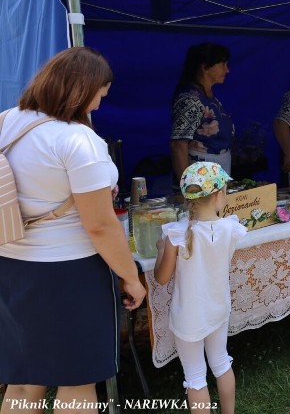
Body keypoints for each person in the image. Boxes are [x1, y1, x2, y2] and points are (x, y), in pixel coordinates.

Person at [0, 47, 146, 412]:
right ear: (82, 90)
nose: (98, 105)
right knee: (77, 385)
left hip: (11, 263)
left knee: (22, 383)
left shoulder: (6, 121)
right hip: (69, 273)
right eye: (99, 96)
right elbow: (99, 225)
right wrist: (130, 277)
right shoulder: (77, 141)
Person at [154, 162, 244, 414]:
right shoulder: (231, 228)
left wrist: (162, 250)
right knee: (221, 362)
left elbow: (161, 278)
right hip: (218, 309)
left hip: (189, 317)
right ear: (218, 196)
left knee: (195, 376)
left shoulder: (176, 234)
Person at [170, 42, 235, 179]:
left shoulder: (209, 97)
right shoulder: (190, 100)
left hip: (217, 172)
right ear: (205, 67)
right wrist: (189, 186)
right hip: (200, 177)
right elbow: (178, 144)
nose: (227, 70)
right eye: (223, 64)